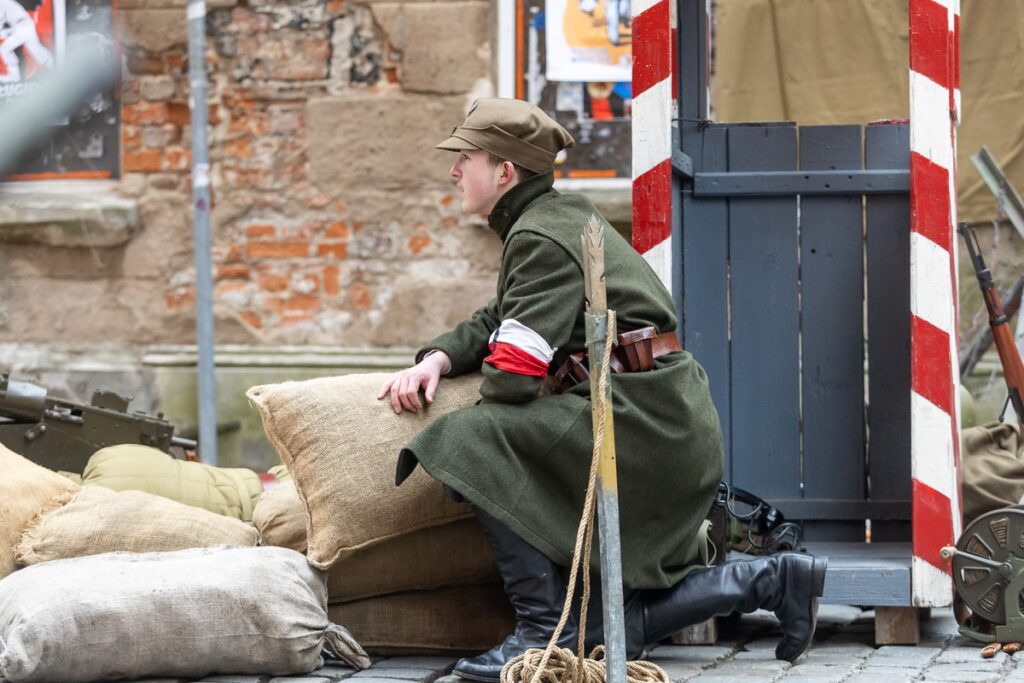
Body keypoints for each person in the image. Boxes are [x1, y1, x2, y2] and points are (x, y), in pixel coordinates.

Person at [379, 98, 827, 682]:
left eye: (466, 157)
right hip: (658, 415)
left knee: (466, 441)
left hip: (644, 422)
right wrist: (439, 358)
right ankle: (775, 580)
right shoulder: (553, 220)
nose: (454, 170)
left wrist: (483, 412)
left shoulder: (540, 236)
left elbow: (511, 382)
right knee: (609, 624)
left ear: (506, 172)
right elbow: (501, 315)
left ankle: (544, 633)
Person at [0, 0, 52, 84]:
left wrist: (4, 33)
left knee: (4, 49)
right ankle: (54, 66)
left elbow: (1, 24)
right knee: (36, 51)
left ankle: (14, 76)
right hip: (24, 25)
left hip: (22, 26)